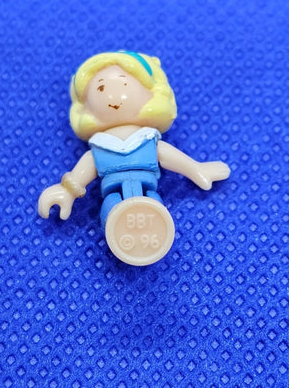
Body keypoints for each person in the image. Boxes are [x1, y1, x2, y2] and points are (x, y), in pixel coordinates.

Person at [38, 51, 230, 265]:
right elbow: (86, 168)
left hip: (149, 193)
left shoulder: (148, 139)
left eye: (124, 84)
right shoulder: (100, 145)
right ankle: (123, 241)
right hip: (112, 194)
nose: (112, 97)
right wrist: (67, 191)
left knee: (153, 206)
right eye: (101, 88)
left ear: (152, 94)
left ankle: (150, 241)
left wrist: (196, 169)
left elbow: (167, 155)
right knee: (111, 209)